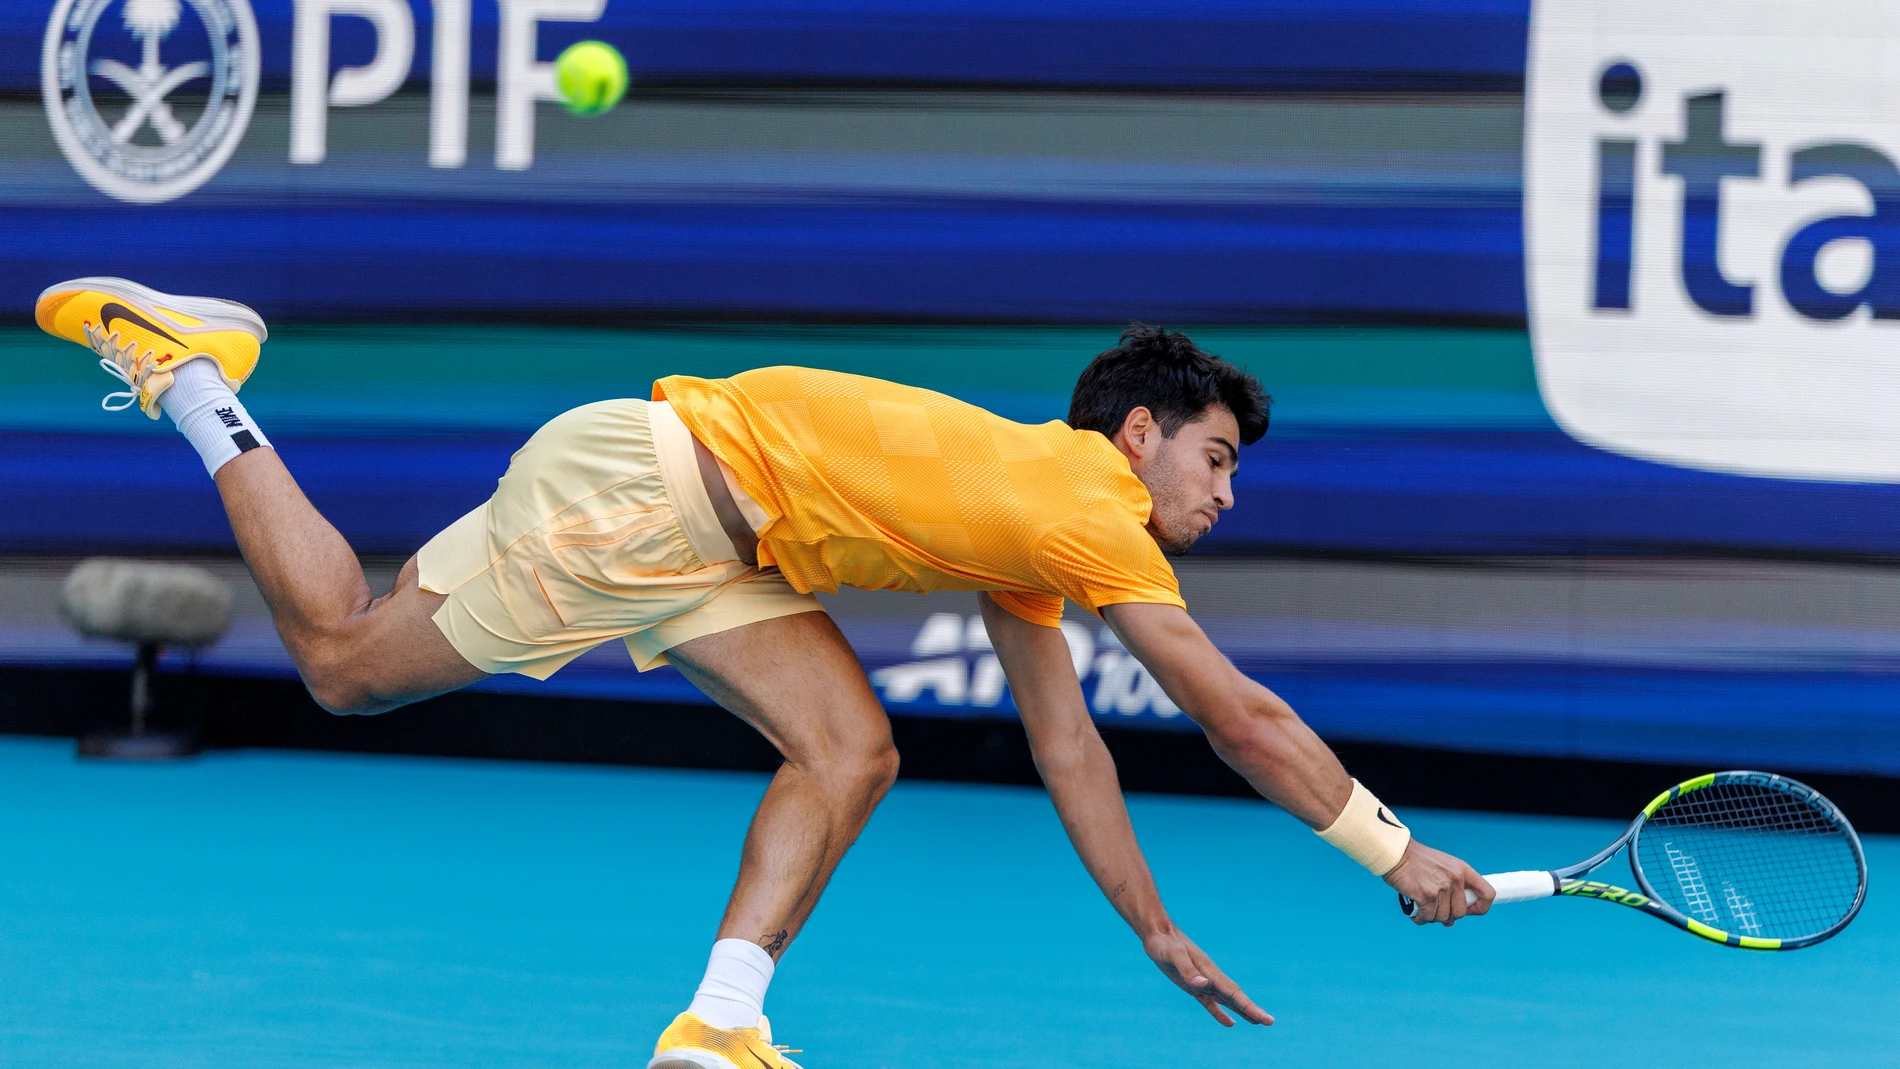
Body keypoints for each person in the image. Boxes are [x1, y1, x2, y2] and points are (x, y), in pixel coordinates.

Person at [36, 277, 1494, 1069]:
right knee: (345, 662)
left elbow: (1072, 748)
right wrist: (1392, 849)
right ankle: (195, 379)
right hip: (646, 503)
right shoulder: (1087, 513)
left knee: (853, 749)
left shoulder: (1041, 521)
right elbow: (1237, 718)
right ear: (1138, 438)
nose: (1226, 494)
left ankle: (717, 1025)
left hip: (701, 528)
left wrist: (1154, 929)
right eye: (1217, 458)